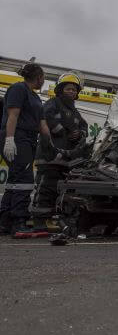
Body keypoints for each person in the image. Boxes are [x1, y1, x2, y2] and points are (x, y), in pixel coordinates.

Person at [0, 62, 55, 238]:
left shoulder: (36, 98)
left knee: (15, 178)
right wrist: (9, 139)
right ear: (39, 77)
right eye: (43, 78)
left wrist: (53, 145)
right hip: (17, 137)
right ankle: (19, 222)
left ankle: (5, 222)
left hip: (29, 139)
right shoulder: (18, 89)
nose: (43, 81)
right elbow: (13, 115)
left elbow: (43, 125)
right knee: (24, 179)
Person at [32, 72, 88, 232]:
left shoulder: (74, 111)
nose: (72, 92)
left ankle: (51, 219)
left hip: (65, 160)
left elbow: (84, 127)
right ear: (60, 89)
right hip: (48, 158)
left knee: (59, 192)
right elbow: (46, 118)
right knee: (45, 190)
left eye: (74, 90)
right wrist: (64, 131)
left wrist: (80, 133)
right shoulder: (52, 103)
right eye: (69, 89)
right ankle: (39, 221)